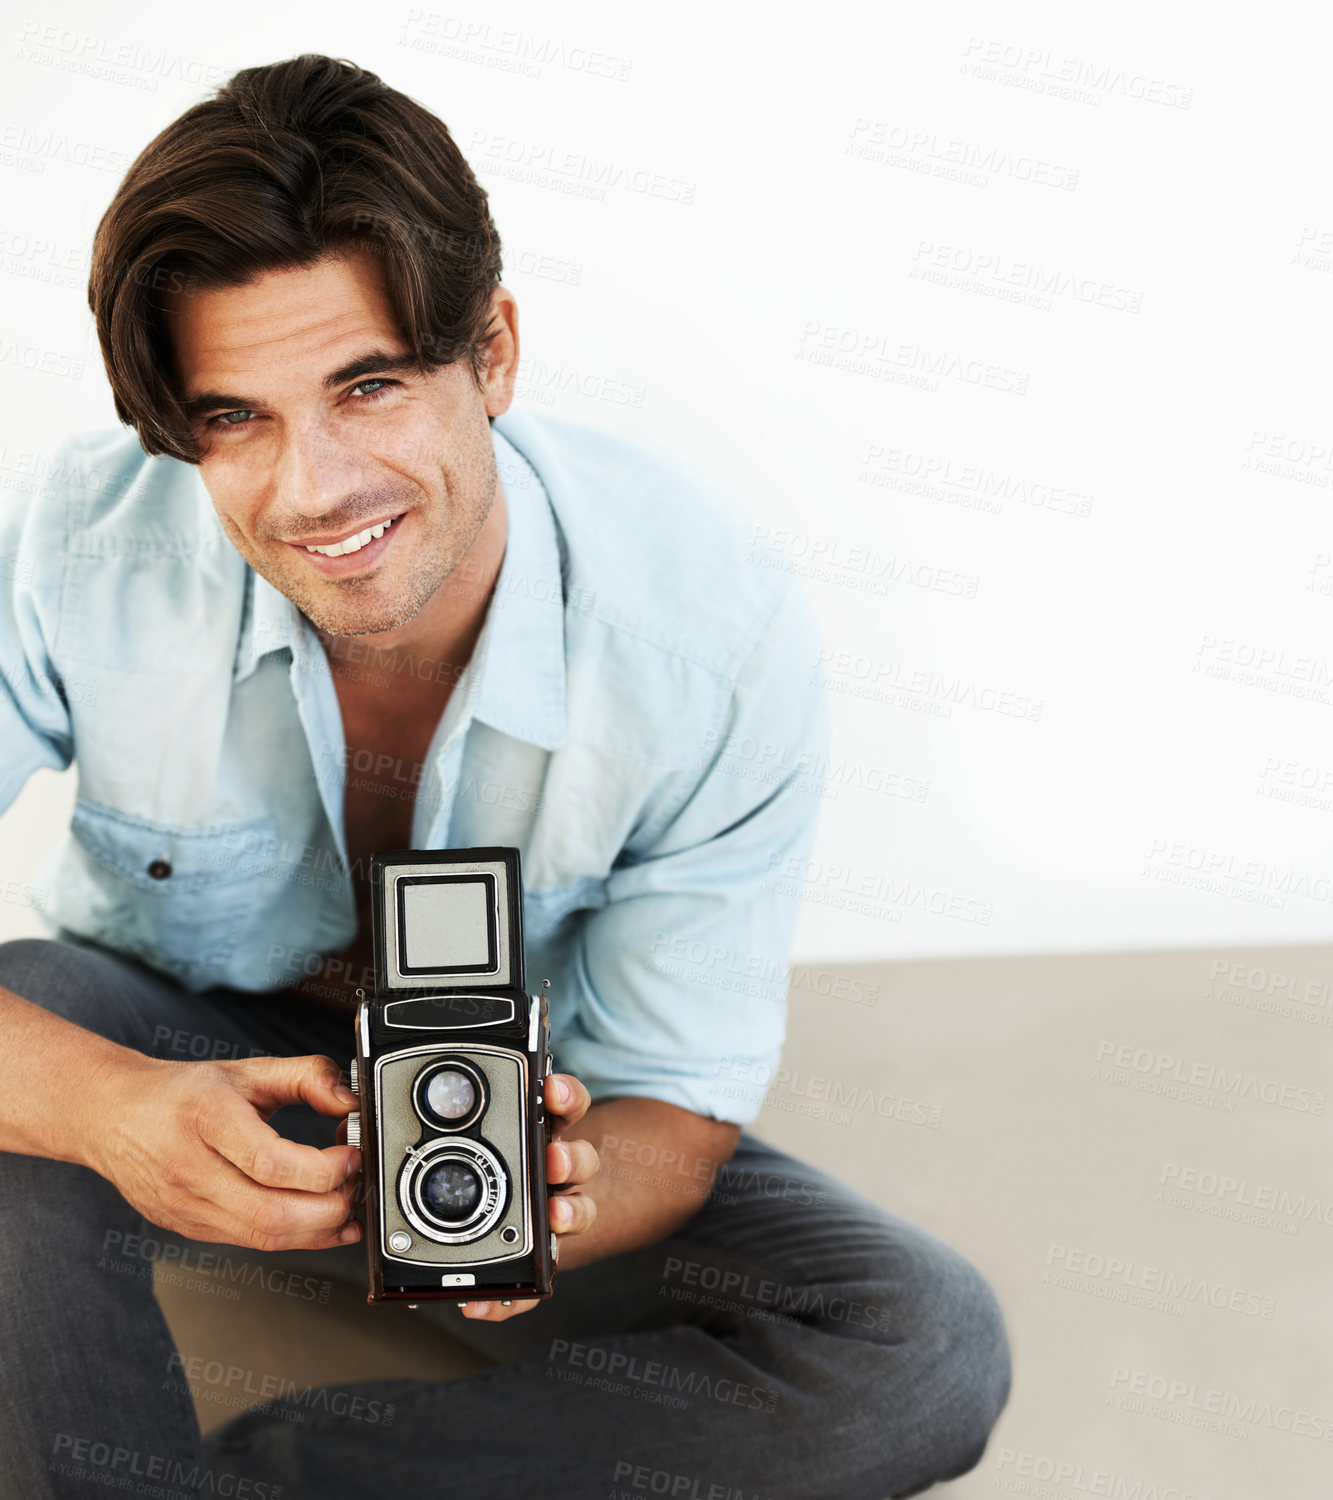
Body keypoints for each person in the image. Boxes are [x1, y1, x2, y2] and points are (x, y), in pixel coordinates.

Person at [0, 54, 1011, 1500]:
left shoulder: (706, 632)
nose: (312, 489)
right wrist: (105, 1110)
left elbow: (673, 1096)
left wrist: (562, 1206)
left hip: (539, 1111)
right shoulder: (76, 542)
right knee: (30, 1043)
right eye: (236, 417)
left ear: (492, 353)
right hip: (185, 1071)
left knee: (919, 1345)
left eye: (369, 387)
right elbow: (62, 1075)